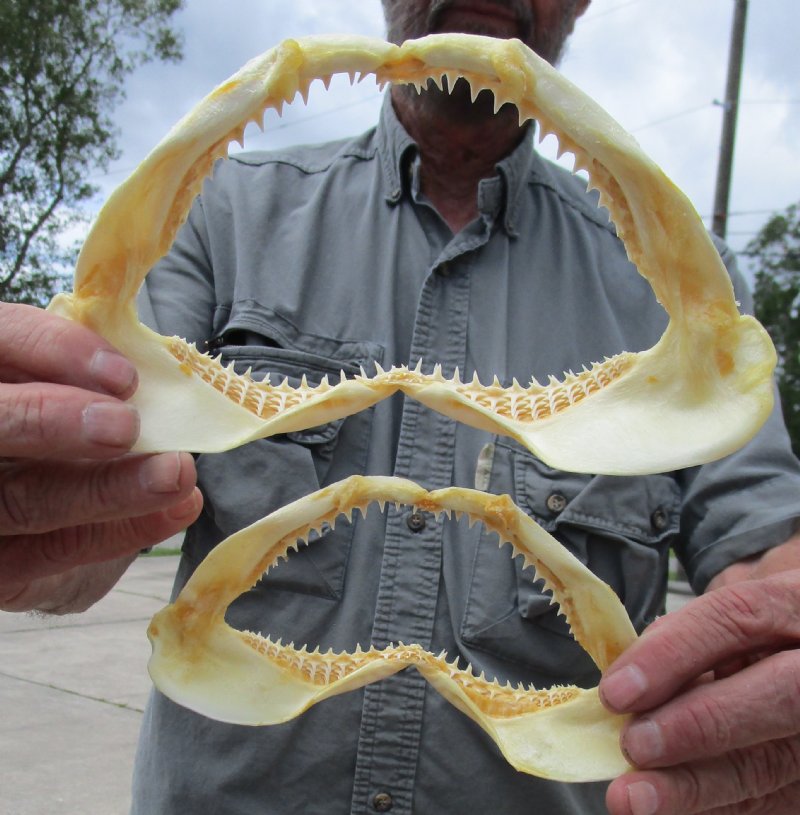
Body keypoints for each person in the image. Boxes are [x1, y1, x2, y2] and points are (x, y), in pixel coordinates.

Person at [3, 1, 800, 812]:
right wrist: (35, 516)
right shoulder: (217, 218)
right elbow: (95, 498)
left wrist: (778, 651)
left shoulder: (688, 304)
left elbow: (765, 545)